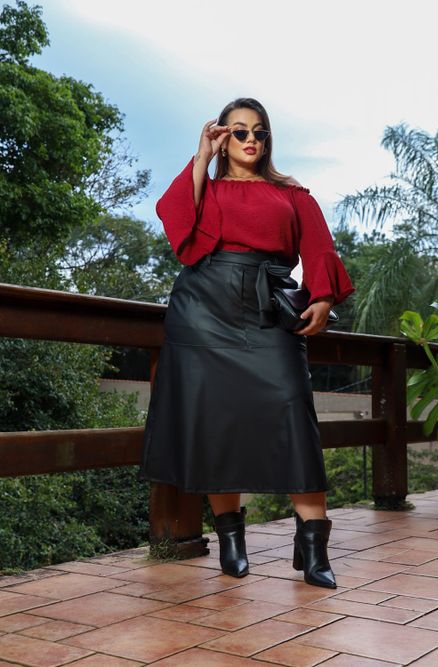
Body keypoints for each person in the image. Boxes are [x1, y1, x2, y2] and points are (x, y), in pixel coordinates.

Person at [138, 97, 354, 589]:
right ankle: (231, 542)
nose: (251, 139)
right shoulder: (206, 186)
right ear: (223, 137)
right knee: (217, 423)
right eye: (239, 131)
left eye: (259, 131)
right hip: (202, 312)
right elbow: (175, 220)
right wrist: (201, 155)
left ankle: (314, 547)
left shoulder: (292, 194)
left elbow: (320, 247)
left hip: (266, 309)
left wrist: (322, 296)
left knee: (293, 412)